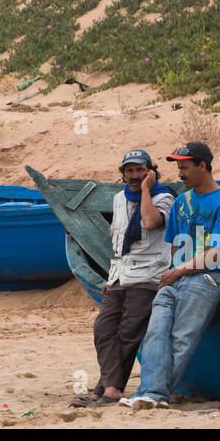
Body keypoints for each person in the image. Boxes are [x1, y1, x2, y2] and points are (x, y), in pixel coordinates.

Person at [121, 142, 220, 410]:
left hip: (208, 278)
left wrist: (179, 271)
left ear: (203, 166)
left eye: (185, 168)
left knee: (182, 338)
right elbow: (174, 245)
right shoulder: (181, 202)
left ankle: (153, 394)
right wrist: (175, 271)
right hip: (175, 277)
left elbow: (217, 253)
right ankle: (151, 393)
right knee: (155, 334)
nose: (180, 174)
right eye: (178, 168)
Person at [73, 149, 176, 406]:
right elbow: (117, 239)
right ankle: (109, 387)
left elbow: (151, 222)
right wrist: (111, 277)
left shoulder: (163, 198)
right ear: (123, 174)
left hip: (148, 275)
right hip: (120, 275)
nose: (134, 175)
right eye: (129, 171)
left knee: (128, 334)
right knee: (103, 328)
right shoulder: (119, 199)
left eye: (140, 170)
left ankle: (107, 391)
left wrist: (145, 191)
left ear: (150, 171)